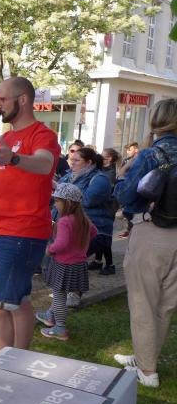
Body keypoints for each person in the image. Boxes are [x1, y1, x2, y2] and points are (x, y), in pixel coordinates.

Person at [0, 77, 60, 352]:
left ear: (22, 100)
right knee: (18, 300)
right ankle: (20, 360)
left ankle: (4, 365)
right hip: (3, 228)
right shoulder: (4, 138)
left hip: (24, 230)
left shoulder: (42, 134)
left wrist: (13, 158)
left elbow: (44, 163)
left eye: (2, 99)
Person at [112, 98, 177, 388]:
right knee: (165, 305)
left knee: (143, 302)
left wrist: (121, 178)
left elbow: (127, 197)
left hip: (153, 232)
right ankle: (144, 357)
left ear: (157, 120)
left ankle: (147, 371)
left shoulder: (152, 154)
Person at [36, 183, 96, 341]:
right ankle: (50, 315)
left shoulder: (64, 221)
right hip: (79, 264)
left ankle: (60, 328)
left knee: (59, 296)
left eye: (57, 201)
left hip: (63, 264)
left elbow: (61, 244)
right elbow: (94, 232)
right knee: (60, 294)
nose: (55, 204)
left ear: (68, 202)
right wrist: (79, 245)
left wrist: (50, 249)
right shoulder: (83, 220)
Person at [56, 147, 114, 277]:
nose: (72, 163)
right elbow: (58, 196)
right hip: (69, 226)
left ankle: (72, 290)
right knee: (61, 265)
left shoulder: (100, 179)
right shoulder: (69, 176)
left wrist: (62, 191)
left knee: (70, 264)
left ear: (89, 162)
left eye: (77, 160)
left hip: (91, 228)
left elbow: (87, 201)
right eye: (72, 160)